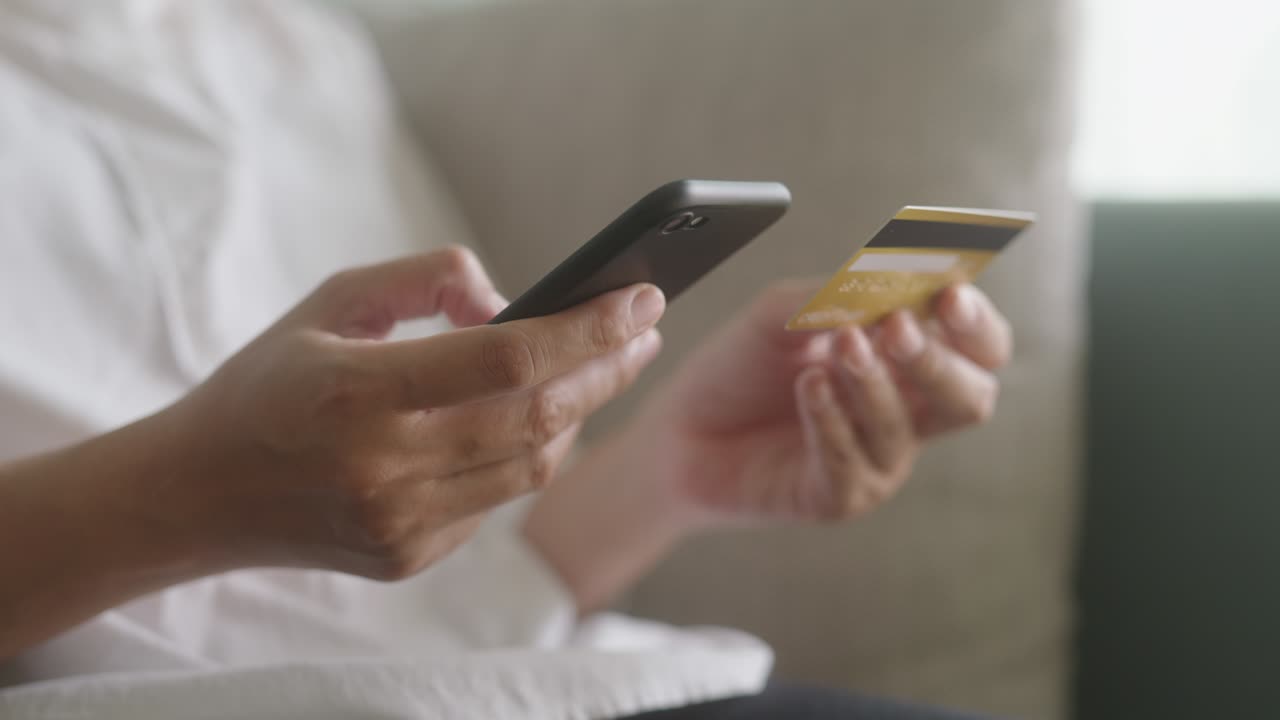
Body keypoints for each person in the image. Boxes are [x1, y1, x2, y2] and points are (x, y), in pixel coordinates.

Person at [0, 2, 1011, 718]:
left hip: (538, 686)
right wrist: (188, 494)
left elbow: (426, 582)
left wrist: (673, 470)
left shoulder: (294, 48)